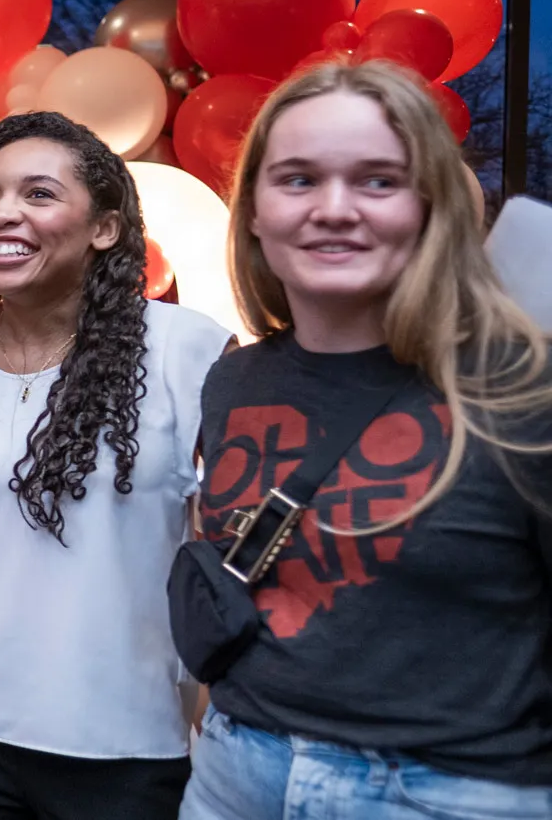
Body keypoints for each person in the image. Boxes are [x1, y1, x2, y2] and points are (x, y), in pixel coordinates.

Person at [181, 61, 552, 819]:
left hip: (448, 792)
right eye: (298, 179)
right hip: (235, 772)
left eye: (379, 180)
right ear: (253, 209)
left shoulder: (523, 389)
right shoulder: (233, 380)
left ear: (431, 206)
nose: (335, 208)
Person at [0, 111, 232, 820]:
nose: (2, 212)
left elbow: (232, 544)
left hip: (124, 739)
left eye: (39, 194)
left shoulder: (189, 352)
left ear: (104, 227)